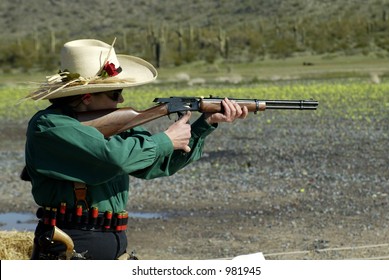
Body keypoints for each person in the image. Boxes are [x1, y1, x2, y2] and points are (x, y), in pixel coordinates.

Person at [23, 39, 248, 260]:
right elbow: (115, 158)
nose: (121, 98)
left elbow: (157, 164)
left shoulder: (110, 126)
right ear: (87, 98)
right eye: (115, 93)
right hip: (70, 242)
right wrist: (166, 140)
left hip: (111, 241)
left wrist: (205, 124)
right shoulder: (50, 125)